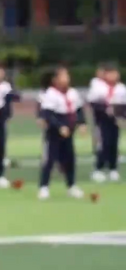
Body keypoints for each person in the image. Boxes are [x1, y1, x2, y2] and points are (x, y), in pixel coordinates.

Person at [38, 66, 86, 200]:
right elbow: (48, 114)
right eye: (63, 76)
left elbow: (78, 109)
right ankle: (44, 187)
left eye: (67, 76)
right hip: (54, 132)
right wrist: (59, 127)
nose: (66, 79)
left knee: (70, 158)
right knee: (50, 159)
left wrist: (82, 123)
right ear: (55, 79)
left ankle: (71, 186)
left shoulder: (72, 93)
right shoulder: (51, 94)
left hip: (69, 129)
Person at [88, 64, 122, 182]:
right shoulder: (98, 86)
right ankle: (98, 169)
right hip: (102, 120)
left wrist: (121, 115)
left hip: (115, 120)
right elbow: (93, 103)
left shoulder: (120, 88)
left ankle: (113, 168)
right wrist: (106, 109)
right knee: (104, 143)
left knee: (114, 143)